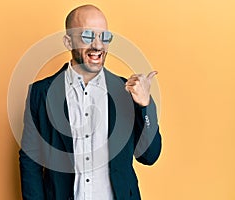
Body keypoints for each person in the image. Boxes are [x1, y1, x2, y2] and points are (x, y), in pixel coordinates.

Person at [19, 4, 162, 200]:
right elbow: (31, 160)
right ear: (68, 42)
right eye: (87, 36)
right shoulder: (41, 92)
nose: (97, 45)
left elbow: (149, 156)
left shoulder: (127, 92)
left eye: (104, 37)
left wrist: (145, 107)